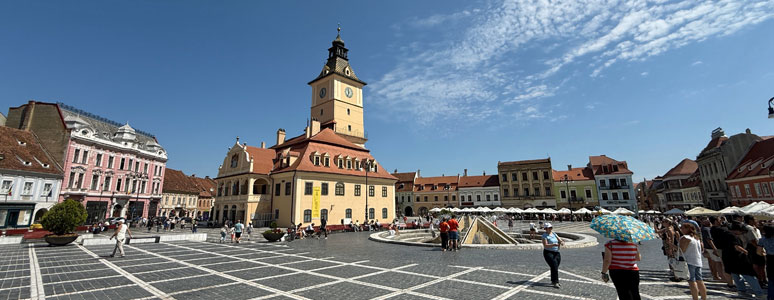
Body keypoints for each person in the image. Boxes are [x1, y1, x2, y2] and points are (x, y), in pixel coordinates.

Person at [726, 221, 764, 298]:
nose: (742, 233)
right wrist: (745, 252)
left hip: (729, 258)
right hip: (739, 258)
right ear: (736, 230)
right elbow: (736, 246)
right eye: (741, 231)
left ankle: (741, 290)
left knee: (735, 275)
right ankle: (759, 293)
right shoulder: (733, 236)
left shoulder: (725, 234)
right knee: (749, 275)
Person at [679, 222, 707, 300]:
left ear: (688, 229)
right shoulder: (696, 238)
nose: (681, 229)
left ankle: (695, 298)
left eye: (683, 228)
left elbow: (682, 250)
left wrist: (672, 246)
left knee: (692, 281)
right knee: (700, 280)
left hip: (689, 261)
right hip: (698, 261)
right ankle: (704, 298)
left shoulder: (685, 237)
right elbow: (701, 249)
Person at [541, 223, 563, 288]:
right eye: (549, 228)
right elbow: (545, 245)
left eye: (551, 227)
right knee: (554, 266)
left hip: (556, 252)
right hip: (548, 252)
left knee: (555, 266)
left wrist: (561, 242)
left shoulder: (554, 233)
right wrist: (554, 245)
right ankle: (556, 282)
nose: (550, 229)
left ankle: (553, 280)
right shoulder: (544, 236)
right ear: (545, 229)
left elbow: (560, 240)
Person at [758, 225, 774, 299]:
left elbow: (758, 252)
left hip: (770, 258)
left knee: (771, 279)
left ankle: (770, 297)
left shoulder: (762, 240)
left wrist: (764, 254)